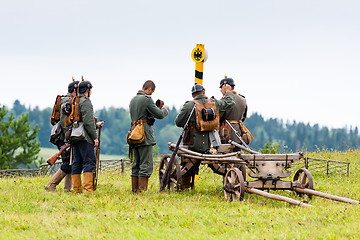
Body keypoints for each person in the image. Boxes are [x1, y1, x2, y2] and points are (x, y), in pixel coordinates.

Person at [175, 83, 235, 188]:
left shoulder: (189, 105)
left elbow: (178, 122)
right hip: (212, 144)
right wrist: (229, 92)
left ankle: (184, 186)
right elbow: (230, 102)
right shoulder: (214, 102)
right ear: (204, 92)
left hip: (194, 145)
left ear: (193, 95)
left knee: (186, 165)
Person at [129, 80, 168, 193]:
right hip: (144, 134)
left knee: (136, 163)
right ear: (150, 89)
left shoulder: (133, 99)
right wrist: (164, 109)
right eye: (152, 92)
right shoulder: (147, 100)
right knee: (146, 164)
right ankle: (142, 192)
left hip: (134, 133)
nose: (151, 94)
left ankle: (134, 190)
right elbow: (160, 115)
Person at [45, 79, 79, 192]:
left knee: (71, 162)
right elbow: (66, 123)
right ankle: (51, 185)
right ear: (75, 89)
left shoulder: (68, 99)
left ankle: (68, 189)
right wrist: (69, 139)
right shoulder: (67, 101)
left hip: (65, 137)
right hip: (64, 137)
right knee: (67, 163)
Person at [71, 79, 104, 194]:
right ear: (87, 90)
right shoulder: (85, 102)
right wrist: (95, 137)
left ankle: (77, 190)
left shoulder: (74, 100)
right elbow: (88, 121)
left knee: (77, 162)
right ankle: (88, 190)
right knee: (89, 162)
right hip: (85, 137)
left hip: (75, 135)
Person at [219, 77, 252, 151]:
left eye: (221, 87)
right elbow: (243, 118)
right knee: (237, 154)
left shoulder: (224, 100)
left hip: (225, 132)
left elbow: (219, 117)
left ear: (225, 86)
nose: (220, 90)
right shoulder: (242, 99)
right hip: (238, 132)